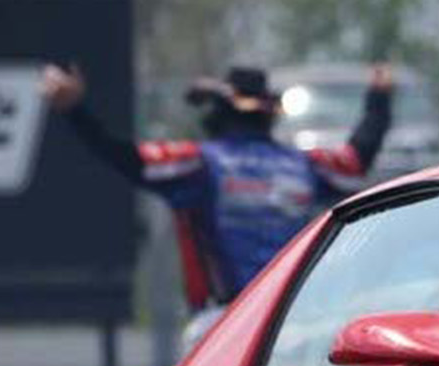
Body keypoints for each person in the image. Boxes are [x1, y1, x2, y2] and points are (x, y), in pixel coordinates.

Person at [40, 63, 395, 344]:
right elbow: (356, 160)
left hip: (220, 330)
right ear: (270, 112)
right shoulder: (303, 165)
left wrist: (75, 113)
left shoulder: (199, 163)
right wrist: (378, 101)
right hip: (294, 326)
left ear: (219, 110)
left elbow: (128, 159)